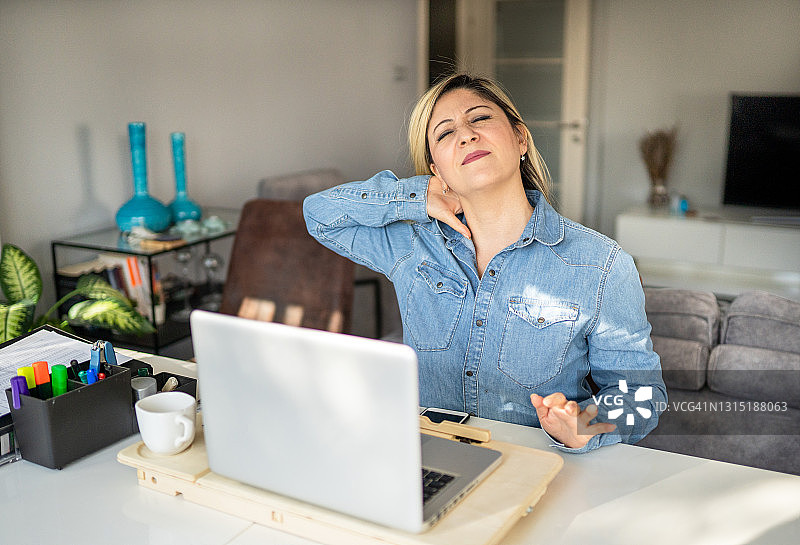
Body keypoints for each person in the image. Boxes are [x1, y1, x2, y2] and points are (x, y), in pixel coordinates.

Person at [303, 73, 666, 453]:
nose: (466, 135)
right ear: (437, 169)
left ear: (520, 138)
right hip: (425, 461)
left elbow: (642, 394)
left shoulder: (602, 266)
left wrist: (583, 425)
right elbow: (320, 214)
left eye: (479, 119)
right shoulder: (412, 245)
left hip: (538, 467)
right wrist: (414, 194)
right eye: (445, 133)